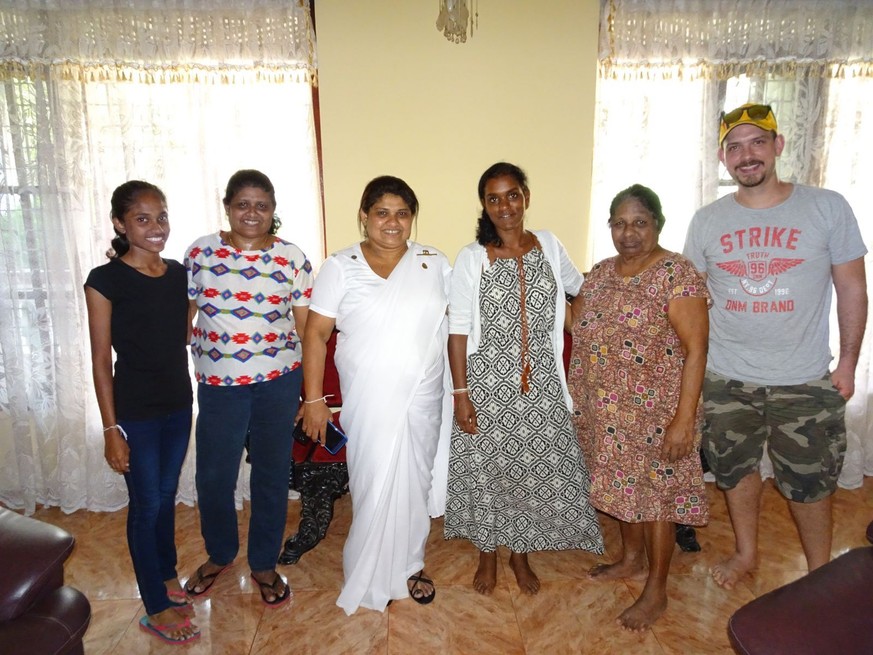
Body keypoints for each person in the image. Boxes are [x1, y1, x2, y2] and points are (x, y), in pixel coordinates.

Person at [683, 103, 868, 589]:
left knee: (810, 485)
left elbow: (852, 288)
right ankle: (746, 554)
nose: (747, 155)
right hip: (727, 378)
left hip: (805, 378)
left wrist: (848, 362)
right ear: (723, 159)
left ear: (778, 146)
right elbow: (692, 304)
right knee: (735, 472)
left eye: (757, 142)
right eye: (735, 147)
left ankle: (819, 572)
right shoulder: (706, 221)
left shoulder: (827, 207)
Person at [444, 162, 603, 596]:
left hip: (542, 383)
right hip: (487, 384)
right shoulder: (471, 257)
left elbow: (579, 290)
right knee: (487, 471)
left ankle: (520, 552)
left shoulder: (549, 245)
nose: (505, 206)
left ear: (526, 198)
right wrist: (461, 395)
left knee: (530, 471)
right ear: (484, 205)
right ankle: (487, 553)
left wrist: (578, 326)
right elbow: (457, 331)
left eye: (512, 195)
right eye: (494, 198)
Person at [301, 175, 451, 614]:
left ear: (412, 219)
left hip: (423, 396)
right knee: (371, 479)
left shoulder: (433, 261)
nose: (392, 222)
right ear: (364, 216)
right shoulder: (340, 266)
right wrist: (314, 400)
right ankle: (366, 569)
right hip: (368, 397)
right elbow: (316, 333)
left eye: (402, 213)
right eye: (382, 212)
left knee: (414, 480)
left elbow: (460, 322)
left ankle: (411, 563)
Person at [569, 184, 710, 631]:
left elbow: (697, 350)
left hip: (658, 413)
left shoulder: (677, 274)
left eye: (639, 223)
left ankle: (657, 588)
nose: (629, 233)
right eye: (619, 224)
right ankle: (630, 559)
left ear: (658, 225)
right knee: (621, 489)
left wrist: (683, 420)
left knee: (656, 502)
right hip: (607, 411)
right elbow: (579, 322)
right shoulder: (600, 273)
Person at [184, 169, 313, 606]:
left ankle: (263, 562)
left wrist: (309, 393)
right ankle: (220, 553)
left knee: (272, 476)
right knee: (214, 476)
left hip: (278, 382)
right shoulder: (200, 252)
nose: (251, 213)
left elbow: (306, 330)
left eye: (262, 205)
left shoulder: (292, 258)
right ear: (227, 206)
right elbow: (184, 322)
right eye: (243, 204)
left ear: (274, 211)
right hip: (220, 386)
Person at [85, 181, 199, 644]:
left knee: (166, 494)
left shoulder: (177, 274)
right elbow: (99, 360)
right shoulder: (105, 279)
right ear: (120, 223)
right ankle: (153, 603)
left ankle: (166, 573)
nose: (156, 228)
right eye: (143, 219)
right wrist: (112, 428)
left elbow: (184, 330)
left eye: (162, 217)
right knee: (146, 502)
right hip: (135, 411)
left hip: (177, 402)